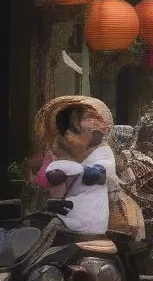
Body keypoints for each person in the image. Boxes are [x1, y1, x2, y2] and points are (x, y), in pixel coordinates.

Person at [33, 96, 118, 236]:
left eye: (75, 130)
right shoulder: (71, 155)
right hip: (71, 217)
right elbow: (51, 179)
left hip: (90, 225)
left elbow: (96, 174)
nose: (69, 135)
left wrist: (64, 167)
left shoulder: (103, 154)